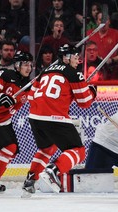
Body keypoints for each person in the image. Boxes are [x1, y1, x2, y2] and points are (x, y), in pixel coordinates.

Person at [21, 44, 96, 197]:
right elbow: (85, 102)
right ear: (67, 58)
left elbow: (31, 96)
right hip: (53, 116)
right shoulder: (73, 73)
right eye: (76, 57)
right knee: (78, 151)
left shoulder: (45, 71)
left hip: (34, 116)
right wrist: (92, 92)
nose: (78, 61)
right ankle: (53, 171)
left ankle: (30, 180)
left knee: (47, 148)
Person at [0, 51, 33, 192]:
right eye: (25, 64)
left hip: (4, 121)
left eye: (30, 65)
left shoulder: (28, 85)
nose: (28, 68)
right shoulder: (6, 74)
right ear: (18, 65)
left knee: (11, 149)